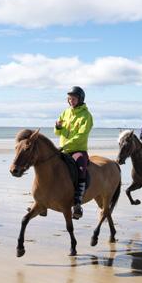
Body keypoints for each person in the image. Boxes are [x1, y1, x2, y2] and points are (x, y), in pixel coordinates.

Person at [55, 86, 93, 220]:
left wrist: (65, 145)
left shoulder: (86, 116)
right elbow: (58, 132)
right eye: (69, 98)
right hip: (63, 149)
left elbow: (81, 135)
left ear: (80, 99)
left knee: (81, 167)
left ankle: (77, 203)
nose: (71, 101)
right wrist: (58, 126)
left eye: (74, 98)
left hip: (78, 150)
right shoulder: (65, 112)